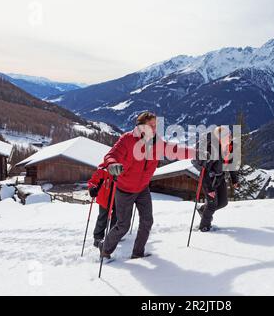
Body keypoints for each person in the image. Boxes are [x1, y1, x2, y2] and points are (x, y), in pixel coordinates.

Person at [98, 111, 194, 260]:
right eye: (151, 125)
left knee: (147, 221)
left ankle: (138, 253)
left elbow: (176, 151)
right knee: (123, 225)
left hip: (143, 188)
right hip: (125, 189)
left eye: (156, 125)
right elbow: (111, 155)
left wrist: (197, 153)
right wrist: (113, 164)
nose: (154, 129)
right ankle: (105, 249)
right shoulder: (128, 140)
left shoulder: (158, 142)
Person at [192, 126, 239, 232]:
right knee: (212, 204)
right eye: (228, 136)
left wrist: (234, 180)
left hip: (220, 177)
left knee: (223, 202)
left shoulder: (228, 147)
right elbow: (204, 172)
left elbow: (231, 164)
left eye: (230, 135)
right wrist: (209, 189)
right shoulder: (211, 150)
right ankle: (204, 227)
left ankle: (203, 209)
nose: (231, 137)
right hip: (208, 179)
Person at [87, 168, 117, 248]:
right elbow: (93, 181)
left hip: (118, 198)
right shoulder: (103, 169)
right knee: (103, 217)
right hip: (105, 199)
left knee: (117, 218)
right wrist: (92, 188)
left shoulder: (125, 166)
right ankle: (98, 238)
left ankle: (113, 237)